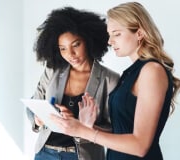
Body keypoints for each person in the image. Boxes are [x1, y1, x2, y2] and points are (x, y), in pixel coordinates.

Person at [51, 2, 180, 160]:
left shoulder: (152, 71)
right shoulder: (131, 73)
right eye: (110, 34)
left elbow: (140, 146)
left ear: (139, 33)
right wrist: (87, 125)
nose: (110, 41)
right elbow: (122, 133)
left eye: (117, 34)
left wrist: (83, 132)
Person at [26, 6, 120, 160]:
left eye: (76, 45)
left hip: (82, 155)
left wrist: (80, 124)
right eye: (62, 49)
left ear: (88, 41)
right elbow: (34, 105)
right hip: (45, 153)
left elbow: (115, 128)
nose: (70, 54)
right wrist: (38, 119)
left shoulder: (110, 80)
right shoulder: (52, 70)